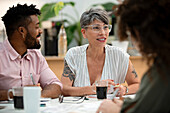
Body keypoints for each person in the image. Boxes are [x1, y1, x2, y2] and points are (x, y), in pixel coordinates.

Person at [97, 0, 170, 112]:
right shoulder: (160, 65)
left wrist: (116, 110)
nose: (102, 33)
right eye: (96, 28)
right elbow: (145, 102)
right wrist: (126, 106)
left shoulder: (163, 72)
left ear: (139, 33)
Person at [61, 8, 140, 97]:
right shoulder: (73, 55)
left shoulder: (119, 55)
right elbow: (64, 89)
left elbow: (137, 85)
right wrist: (93, 89)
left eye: (105, 27)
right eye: (96, 28)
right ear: (84, 32)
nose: (102, 33)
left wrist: (125, 89)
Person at [0, 4, 62, 101]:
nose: (40, 31)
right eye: (36, 27)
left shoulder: (36, 56)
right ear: (22, 31)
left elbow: (55, 85)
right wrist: (18, 94)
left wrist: (38, 96)